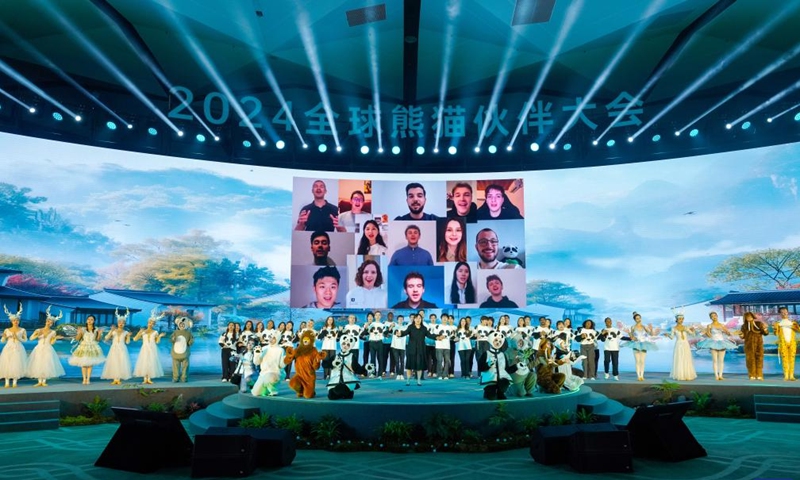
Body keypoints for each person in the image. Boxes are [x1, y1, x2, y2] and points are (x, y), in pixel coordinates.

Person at [395, 313, 438, 385]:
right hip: (411, 349)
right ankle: (408, 380)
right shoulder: (410, 327)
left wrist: (437, 337)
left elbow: (429, 335)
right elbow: (404, 333)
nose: (418, 319)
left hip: (421, 349)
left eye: (419, 318)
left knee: (419, 365)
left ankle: (418, 380)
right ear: (414, 319)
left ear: (421, 319)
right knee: (409, 365)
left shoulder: (424, 328)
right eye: (416, 318)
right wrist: (400, 334)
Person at [26, 307, 65, 387]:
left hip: (48, 348)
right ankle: (39, 381)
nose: (48, 323)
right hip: (39, 348)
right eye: (48, 321)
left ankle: (44, 381)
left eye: (50, 322)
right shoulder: (39, 330)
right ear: (46, 321)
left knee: (46, 363)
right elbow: (31, 338)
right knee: (38, 363)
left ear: (52, 323)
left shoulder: (53, 332)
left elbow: (52, 342)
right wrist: (37, 334)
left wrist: (55, 338)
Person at [696, 312, 736, 381]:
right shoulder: (709, 325)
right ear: (710, 318)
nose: (714, 317)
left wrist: (729, 333)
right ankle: (716, 376)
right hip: (713, 342)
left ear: (717, 316)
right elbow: (708, 334)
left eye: (715, 315)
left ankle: (721, 375)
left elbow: (727, 333)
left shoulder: (722, 325)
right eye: (712, 316)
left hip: (722, 342)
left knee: (721, 360)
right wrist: (705, 333)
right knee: (715, 360)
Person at [69, 314, 106, 385]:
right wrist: (79, 333)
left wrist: (99, 334)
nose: (89, 321)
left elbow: (98, 340)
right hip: (83, 346)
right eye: (88, 319)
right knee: (83, 363)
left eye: (91, 319)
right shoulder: (83, 329)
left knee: (90, 364)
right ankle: (84, 379)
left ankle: (88, 379)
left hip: (92, 347)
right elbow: (77, 339)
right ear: (86, 320)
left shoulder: (96, 329)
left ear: (94, 321)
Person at [621, 312, 657, 381]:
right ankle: (638, 376)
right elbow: (631, 337)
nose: (639, 319)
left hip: (644, 344)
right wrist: (630, 334)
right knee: (637, 361)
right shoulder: (633, 327)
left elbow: (651, 334)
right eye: (637, 318)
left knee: (642, 361)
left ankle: (642, 375)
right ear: (635, 320)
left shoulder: (644, 326)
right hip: (636, 344)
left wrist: (651, 329)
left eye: (639, 318)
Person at [101, 309, 133, 385]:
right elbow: (106, 338)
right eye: (119, 322)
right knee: (114, 362)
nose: (121, 324)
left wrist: (128, 336)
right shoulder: (114, 331)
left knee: (121, 362)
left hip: (122, 348)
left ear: (124, 324)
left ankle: (118, 378)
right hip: (114, 348)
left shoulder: (126, 332)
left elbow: (127, 342)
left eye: (122, 323)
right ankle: (115, 378)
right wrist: (111, 331)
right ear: (117, 323)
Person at [133, 314, 166, 385]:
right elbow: (135, 339)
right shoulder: (143, 331)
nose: (151, 324)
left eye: (152, 323)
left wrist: (160, 336)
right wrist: (139, 332)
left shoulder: (155, 332)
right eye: (149, 323)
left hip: (152, 348)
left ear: (154, 325)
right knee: (144, 362)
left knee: (151, 362)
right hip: (144, 348)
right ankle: (145, 378)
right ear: (147, 323)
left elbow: (157, 342)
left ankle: (149, 378)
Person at [0, 303, 28, 389]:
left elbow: (25, 340)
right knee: (7, 363)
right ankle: (7, 382)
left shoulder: (22, 330)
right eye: (14, 320)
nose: (16, 322)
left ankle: (15, 382)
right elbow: (2, 341)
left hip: (18, 348)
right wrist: (4, 336)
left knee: (17, 363)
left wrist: (18, 338)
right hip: (8, 347)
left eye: (17, 320)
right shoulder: (7, 330)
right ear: (11, 321)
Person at [664, 313, 697, 381]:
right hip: (678, 344)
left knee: (686, 358)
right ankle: (680, 375)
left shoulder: (685, 327)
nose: (681, 320)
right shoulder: (674, 328)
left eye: (682, 319)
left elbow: (693, 334)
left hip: (685, 344)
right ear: (676, 320)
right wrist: (668, 335)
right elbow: (672, 337)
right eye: (679, 319)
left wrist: (693, 330)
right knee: (680, 359)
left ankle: (687, 375)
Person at [739, 311, 769, 380]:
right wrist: (741, 334)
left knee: (759, 359)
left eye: (750, 316)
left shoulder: (759, 324)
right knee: (750, 360)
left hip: (759, 344)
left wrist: (765, 328)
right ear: (745, 318)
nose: (749, 318)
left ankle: (759, 374)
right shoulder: (744, 326)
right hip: (748, 345)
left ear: (752, 316)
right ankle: (752, 375)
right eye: (747, 317)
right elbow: (743, 336)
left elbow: (765, 333)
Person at [773, 306, 800, 381]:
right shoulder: (778, 324)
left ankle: (791, 375)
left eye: (785, 312)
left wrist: (794, 326)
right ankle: (786, 375)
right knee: (785, 359)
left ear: (788, 312)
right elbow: (776, 333)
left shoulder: (792, 323)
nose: (784, 314)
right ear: (780, 314)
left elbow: (798, 330)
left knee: (792, 359)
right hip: (783, 343)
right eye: (782, 312)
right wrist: (775, 328)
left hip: (792, 343)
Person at [170, 316, 194, 383]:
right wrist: (173, 339)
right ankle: (175, 378)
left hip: (185, 353)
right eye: (180, 324)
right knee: (175, 366)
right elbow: (171, 340)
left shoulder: (188, 333)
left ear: (186, 325)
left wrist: (191, 341)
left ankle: (184, 378)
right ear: (178, 324)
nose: (182, 325)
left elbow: (190, 342)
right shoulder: (175, 332)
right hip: (176, 353)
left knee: (185, 366)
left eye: (183, 324)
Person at [319, 316, 338, 380]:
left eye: (331, 320)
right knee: (325, 360)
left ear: (333, 321)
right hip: (325, 346)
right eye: (329, 319)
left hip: (332, 347)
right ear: (327, 320)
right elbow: (320, 337)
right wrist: (323, 331)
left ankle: (330, 375)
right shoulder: (323, 328)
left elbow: (336, 337)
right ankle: (325, 375)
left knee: (331, 360)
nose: (330, 321)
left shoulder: (335, 328)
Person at [390, 315, 407, 379]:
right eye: (399, 319)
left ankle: (402, 374)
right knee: (396, 361)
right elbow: (388, 331)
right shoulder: (394, 326)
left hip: (402, 347)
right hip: (395, 347)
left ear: (403, 320)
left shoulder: (405, 327)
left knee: (402, 361)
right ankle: (398, 374)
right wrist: (391, 326)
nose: (400, 320)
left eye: (401, 319)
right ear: (397, 320)